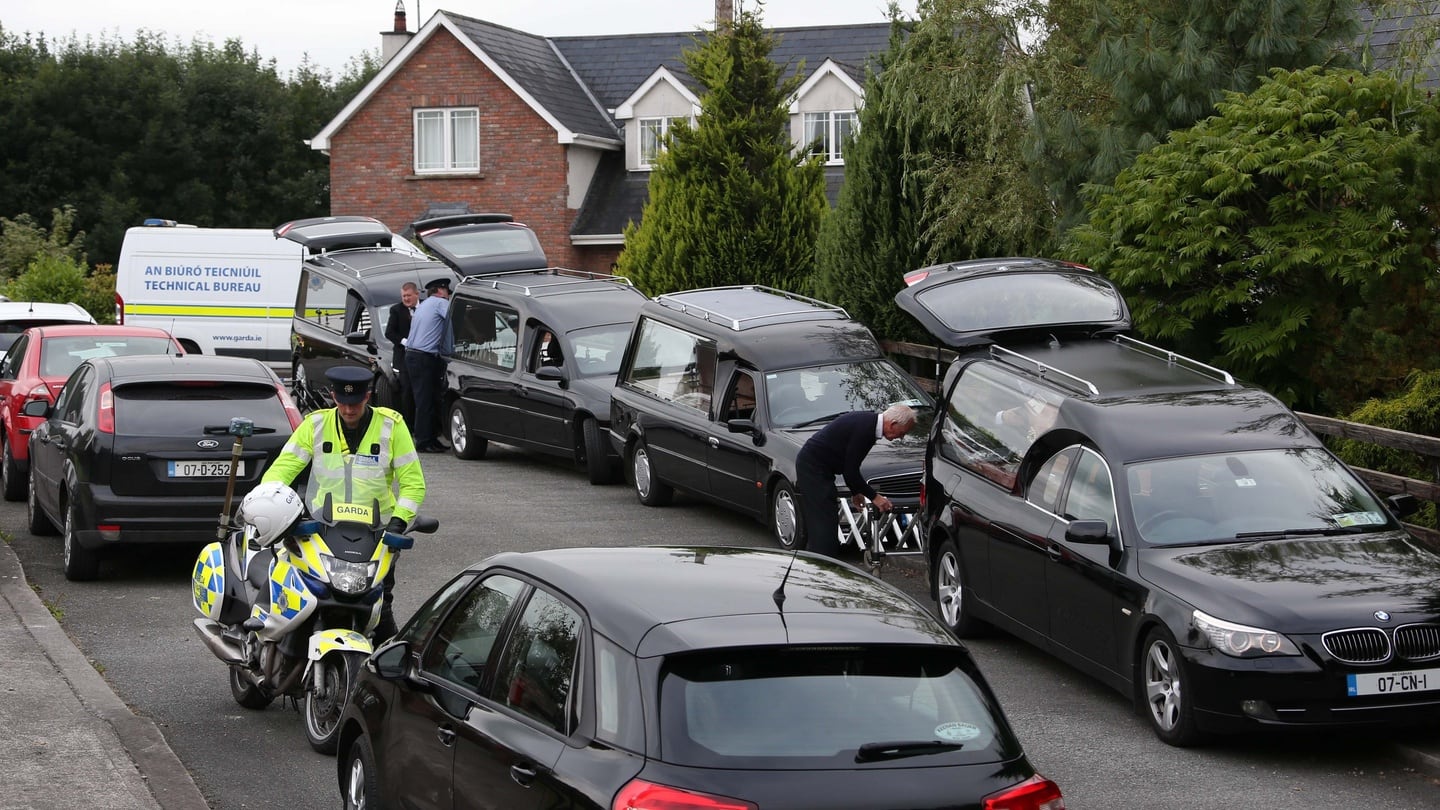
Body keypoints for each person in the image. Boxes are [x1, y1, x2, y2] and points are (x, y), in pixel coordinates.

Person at [261, 365, 426, 639]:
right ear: (333, 397)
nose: (349, 410)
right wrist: (274, 507)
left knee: (379, 606)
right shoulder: (315, 425)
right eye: (342, 403)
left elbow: (413, 483)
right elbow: (281, 471)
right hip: (321, 529)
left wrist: (398, 524)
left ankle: (388, 671)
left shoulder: (391, 426)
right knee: (300, 596)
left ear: (368, 396)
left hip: (376, 535)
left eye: (355, 403)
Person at [795, 403, 917, 558]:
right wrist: (875, 497)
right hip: (812, 468)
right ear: (893, 424)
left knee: (826, 520)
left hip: (818, 467)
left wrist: (856, 492)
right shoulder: (866, 430)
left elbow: (851, 465)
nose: (901, 437)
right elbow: (851, 471)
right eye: (902, 433)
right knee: (823, 522)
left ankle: (820, 560)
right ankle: (822, 564)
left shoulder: (868, 424)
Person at [406, 277, 453, 453]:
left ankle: (429, 438)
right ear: (441, 291)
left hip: (414, 356)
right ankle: (424, 441)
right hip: (424, 358)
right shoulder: (440, 303)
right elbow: (453, 320)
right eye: (448, 291)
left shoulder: (424, 305)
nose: (448, 295)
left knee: (425, 399)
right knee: (426, 400)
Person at [384, 281, 419, 426]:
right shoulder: (396, 310)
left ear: (416, 294)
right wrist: (405, 342)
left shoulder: (425, 308)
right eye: (403, 296)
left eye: (408, 295)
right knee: (407, 393)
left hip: (425, 357)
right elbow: (389, 333)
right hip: (404, 359)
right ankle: (409, 427)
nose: (406, 299)